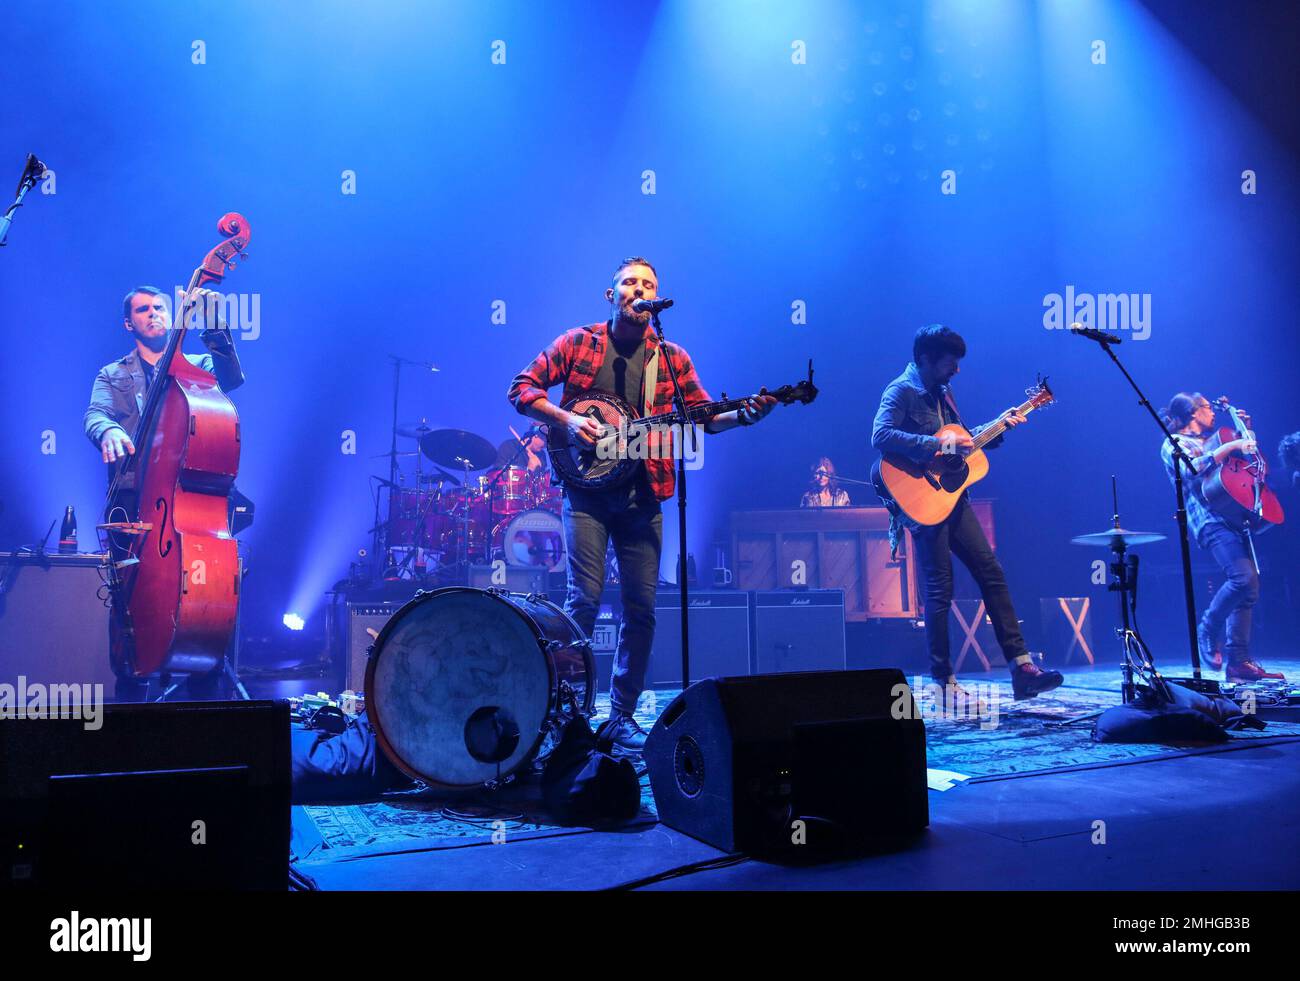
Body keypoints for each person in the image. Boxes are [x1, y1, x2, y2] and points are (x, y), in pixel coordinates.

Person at [508, 257, 776, 752]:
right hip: (585, 491)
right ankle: (567, 710)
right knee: (583, 601)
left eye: (649, 284)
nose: (640, 289)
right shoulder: (578, 343)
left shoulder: (671, 358)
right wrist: (566, 419)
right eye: (630, 282)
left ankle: (621, 715)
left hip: (643, 494)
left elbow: (702, 419)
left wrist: (744, 415)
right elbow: (521, 389)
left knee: (642, 609)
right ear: (610, 295)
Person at [871, 324, 1063, 700]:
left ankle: (1021, 667)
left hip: (952, 497)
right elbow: (880, 436)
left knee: (991, 572)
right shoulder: (902, 390)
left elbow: (963, 442)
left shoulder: (944, 392)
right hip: (921, 499)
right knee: (940, 590)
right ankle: (943, 681)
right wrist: (936, 444)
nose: (956, 370)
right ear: (925, 359)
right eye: (949, 362)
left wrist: (998, 426)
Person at [84, 285, 245, 701]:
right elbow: (95, 415)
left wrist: (214, 325)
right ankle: (131, 687)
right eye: (143, 309)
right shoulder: (113, 374)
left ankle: (207, 706)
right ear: (129, 322)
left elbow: (233, 378)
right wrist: (110, 430)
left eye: (160, 307)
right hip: (133, 502)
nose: (153, 313)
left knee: (205, 600)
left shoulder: (199, 365)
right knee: (129, 606)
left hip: (189, 503)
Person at [1159, 393, 1283, 681]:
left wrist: (1243, 432)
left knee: (1250, 587)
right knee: (1242, 578)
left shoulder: (1216, 438)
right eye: (1205, 407)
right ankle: (1208, 626)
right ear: (1192, 412)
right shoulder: (1175, 443)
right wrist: (1232, 444)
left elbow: (1249, 466)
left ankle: (1238, 663)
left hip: (1236, 515)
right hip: (1210, 520)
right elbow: (1193, 470)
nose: (1212, 413)